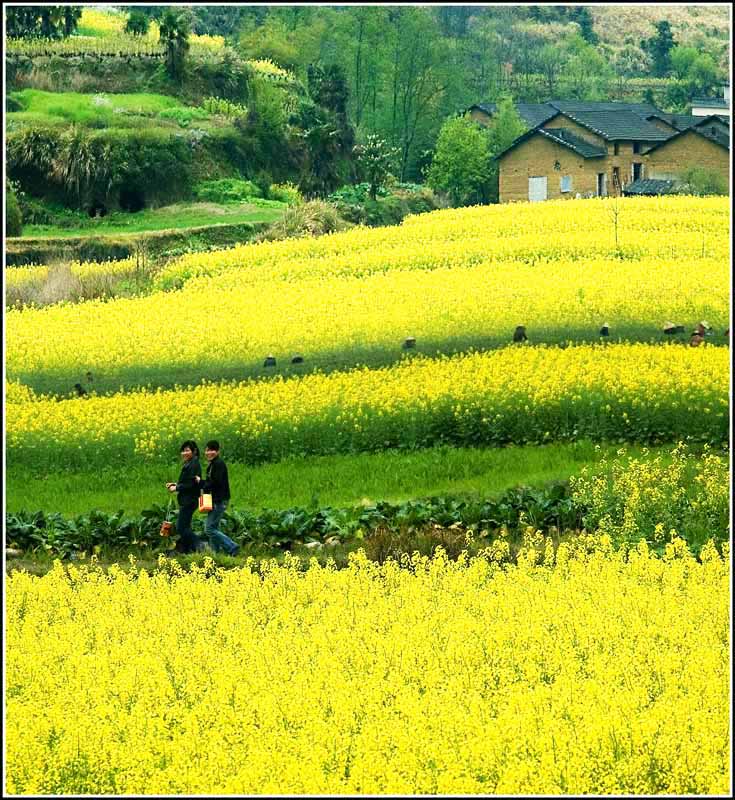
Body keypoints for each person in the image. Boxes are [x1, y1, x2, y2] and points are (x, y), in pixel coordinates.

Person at [195, 440, 240, 556]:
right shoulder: (213, 464)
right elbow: (211, 482)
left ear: (218, 451)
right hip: (215, 500)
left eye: (212, 450)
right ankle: (215, 553)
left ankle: (232, 547)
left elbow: (215, 483)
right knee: (213, 527)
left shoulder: (218, 464)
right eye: (207, 450)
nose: (209, 452)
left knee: (209, 529)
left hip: (219, 500)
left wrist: (201, 482)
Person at [166, 440, 203, 554]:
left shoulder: (194, 464)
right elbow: (187, 482)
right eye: (183, 451)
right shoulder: (190, 463)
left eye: (187, 450)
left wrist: (176, 488)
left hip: (189, 500)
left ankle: (201, 546)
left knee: (181, 527)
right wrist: (175, 485)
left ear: (194, 451)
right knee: (185, 526)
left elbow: (192, 484)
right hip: (187, 499)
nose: (184, 453)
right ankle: (187, 551)